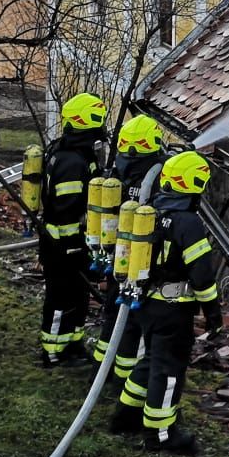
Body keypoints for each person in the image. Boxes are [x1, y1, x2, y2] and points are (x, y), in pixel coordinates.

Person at [108, 149, 222, 453]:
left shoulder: (152, 211)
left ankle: (126, 416)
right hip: (173, 309)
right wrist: (213, 312)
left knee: (150, 361)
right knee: (169, 370)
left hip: (146, 305)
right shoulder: (188, 223)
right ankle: (160, 435)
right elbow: (202, 275)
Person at [92, 113, 167, 389]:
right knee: (134, 322)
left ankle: (100, 370)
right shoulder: (158, 172)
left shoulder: (118, 167)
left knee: (112, 312)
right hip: (141, 261)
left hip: (115, 255)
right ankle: (124, 378)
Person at [36, 91, 106, 368]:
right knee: (60, 299)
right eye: (98, 120)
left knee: (78, 297)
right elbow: (65, 211)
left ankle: (73, 345)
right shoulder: (72, 163)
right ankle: (53, 352)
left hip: (71, 244)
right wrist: (73, 248)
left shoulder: (72, 152)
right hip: (62, 247)